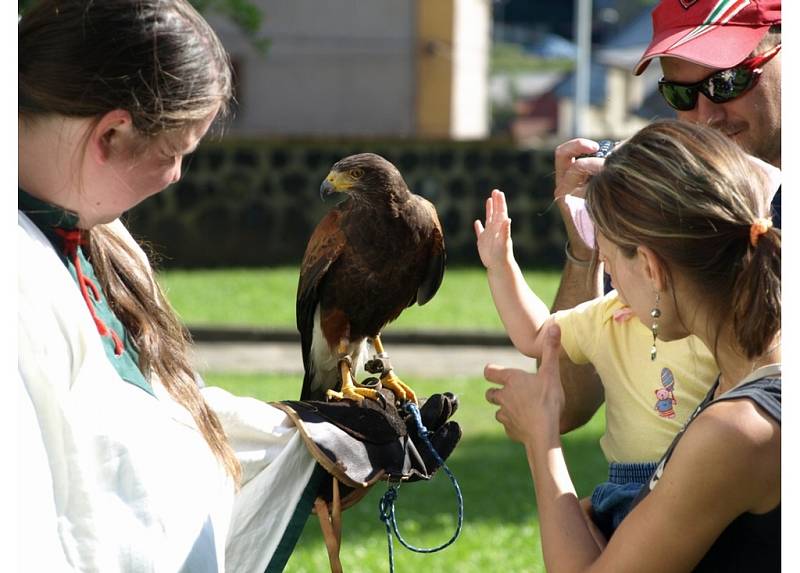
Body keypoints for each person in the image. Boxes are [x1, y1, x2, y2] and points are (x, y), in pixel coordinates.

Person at [16, 2, 459, 571]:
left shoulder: (106, 241)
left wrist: (308, 443)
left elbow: (160, 424)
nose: (176, 176)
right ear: (112, 132)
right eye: (175, 154)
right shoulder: (20, 276)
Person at [485, 119, 780, 571]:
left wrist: (540, 437)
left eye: (608, 261)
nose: (611, 281)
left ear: (650, 266)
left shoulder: (737, 429)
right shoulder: (743, 374)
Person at [550, 0, 782, 440]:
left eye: (729, 81)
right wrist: (589, 245)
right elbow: (564, 404)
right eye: (682, 94)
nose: (707, 116)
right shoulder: (673, 196)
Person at [475, 183, 718, 538]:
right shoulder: (608, 315)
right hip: (626, 491)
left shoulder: (713, 320)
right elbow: (537, 335)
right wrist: (501, 265)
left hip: (703, 487)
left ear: (648, 262)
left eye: (607, 261)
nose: (607, 274)